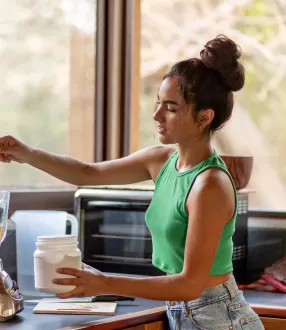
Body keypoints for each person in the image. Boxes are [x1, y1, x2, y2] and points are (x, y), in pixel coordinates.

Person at [0, 34, 264, 329]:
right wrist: (26, 153)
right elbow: (87, 173)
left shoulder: (210, 185)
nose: (156, 115)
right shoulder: (160, 161)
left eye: (171, 108)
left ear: (204, 117)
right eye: (158, 103)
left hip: (217, 316)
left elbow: (190, 284)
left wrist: (103, 282)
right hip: (184, 312)